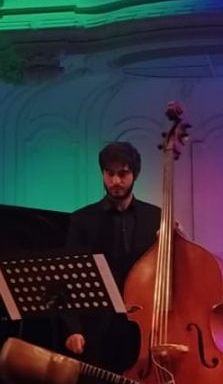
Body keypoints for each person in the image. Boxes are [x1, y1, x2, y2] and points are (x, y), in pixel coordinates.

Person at [62, 141, 162, 371]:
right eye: (109, 173)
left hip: (143, 327)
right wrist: (73, 329)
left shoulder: (156, 217)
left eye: (123, 174)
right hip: (96, 328)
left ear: (134, 175)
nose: (115, 181)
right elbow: (70, 279)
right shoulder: (82, 220)